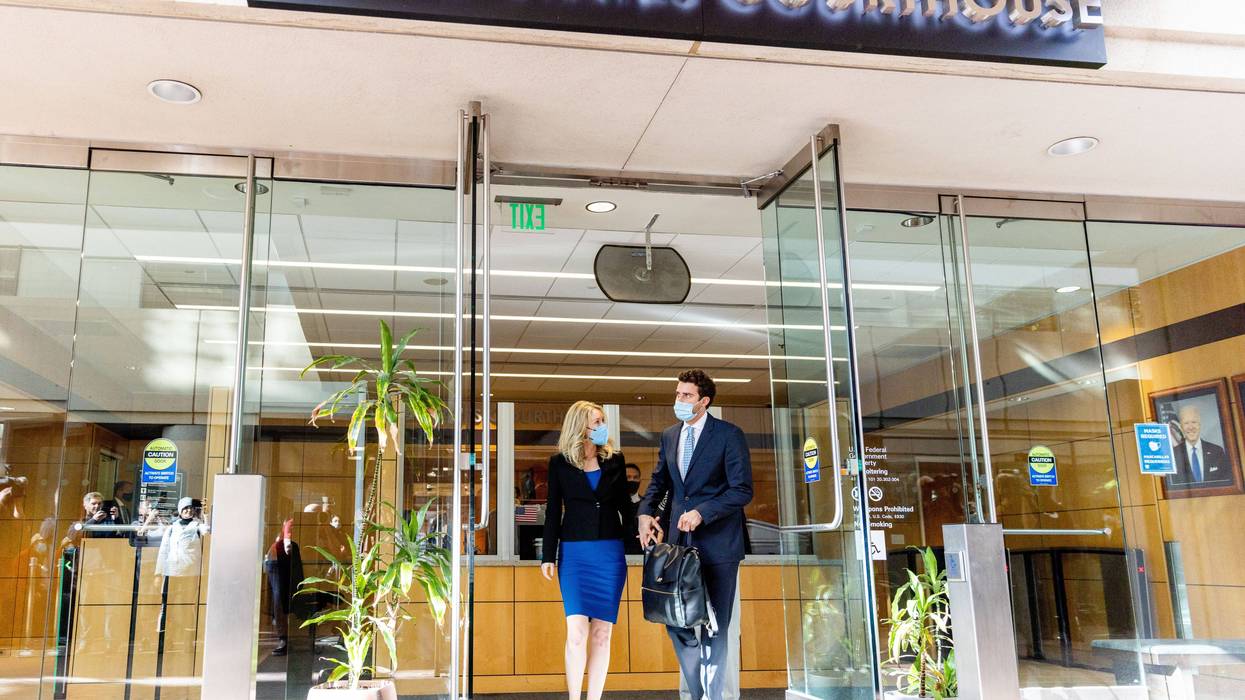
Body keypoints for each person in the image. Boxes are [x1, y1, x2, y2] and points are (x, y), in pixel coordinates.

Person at [638, 369, 753, 700]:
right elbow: (660, 482)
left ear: (704, 401)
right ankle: (698, 690)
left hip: (719, 545)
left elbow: (742, 490)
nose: (679, 400)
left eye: (686, 395)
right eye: (677, 394)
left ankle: (713, 696)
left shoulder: (729, 435)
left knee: (716, 626)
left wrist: (703, 511)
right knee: (677, 622)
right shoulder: (670, 435)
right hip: (678, 546)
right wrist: (645, 513)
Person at [540, 400, 630, 700]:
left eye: (603, 421)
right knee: (577, 632)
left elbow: (625, 505)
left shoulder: (615, 460)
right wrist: (548, 555)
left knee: (602, 633)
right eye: (597, 421)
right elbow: (553, 511)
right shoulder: (560, 463)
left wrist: (643, 533)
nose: (603, 426)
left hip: (609, 553)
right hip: (575, 554)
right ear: (581, 426)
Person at [265, 518, 306, 656]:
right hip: (278, 575)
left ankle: (285, 638)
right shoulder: (278, 543)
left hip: (288, 579)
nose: (290, 529)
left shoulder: (292, 545)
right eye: (289, 526)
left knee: (282, 603)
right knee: (279, 603)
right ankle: (283, 638)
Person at [1170, 405, 1234, 487]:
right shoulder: (1173, 455)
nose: (1191, 427)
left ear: (1199, 425)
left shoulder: (1217, 451)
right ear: (1181, 427)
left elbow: (1227, 483)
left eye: (1194, 422)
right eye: (1186, 423)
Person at [155, 497, 208, 578]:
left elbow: (206, 531)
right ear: (180, 510)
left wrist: (205, 515)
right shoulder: (172, 527)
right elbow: (163, 550)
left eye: (191, 508)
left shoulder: (197, 525)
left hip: (190, 571)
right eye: (186, 508)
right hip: (172, 569)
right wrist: (159, 572)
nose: (189, 510)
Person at [623, 463, 643, 555]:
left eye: (635, 477)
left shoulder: (647, 505)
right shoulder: (613, 505)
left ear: (640, 480)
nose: (632, 480)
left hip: (641, 553)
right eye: (628, 477)